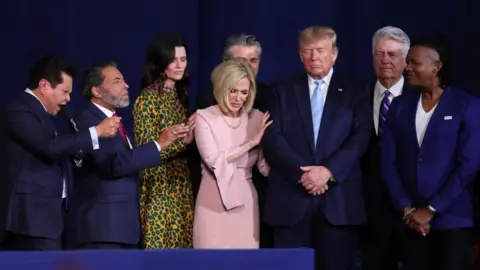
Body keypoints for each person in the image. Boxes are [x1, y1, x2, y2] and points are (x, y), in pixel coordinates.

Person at [261, 26, 371, 270]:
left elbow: (360, 137)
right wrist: (303, 174)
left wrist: (328, 172)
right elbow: (272, 136)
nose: (314, 57)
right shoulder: (281, 90)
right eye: (308, 51)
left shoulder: (356, 91)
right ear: (300, 56)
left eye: (321, 50)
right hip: (291, 200)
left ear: (334, 54)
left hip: (338, 203)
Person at [381, 34, 480, 270]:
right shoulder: (399, 106)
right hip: (409, 221)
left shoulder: (467, 106)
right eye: (408, 62)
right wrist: (407, 208)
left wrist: (433, 209)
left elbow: (468, 165)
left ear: (436, 67)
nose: (407, 68)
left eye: (415, 62)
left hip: (452, 221)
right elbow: (388, 162)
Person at [1, 56, 118, 250]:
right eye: (65, 91)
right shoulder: (19, 108)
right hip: (30, 220)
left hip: (49, 220)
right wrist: (96, 131)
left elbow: (62, 148)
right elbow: (50, 147)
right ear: (44, 85)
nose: (68, 99)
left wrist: (79, 152)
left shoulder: (49, 116)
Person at [74, 60, 189, 249]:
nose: (126, 85)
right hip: (104, 230)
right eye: (117, 81)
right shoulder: (89, 121)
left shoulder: (115, 121)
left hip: (123, 230)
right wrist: (159, 143)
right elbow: (112, 165)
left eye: (124, 80)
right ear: (96, 91)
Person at [192, 32, 274, 247]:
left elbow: (265, 166)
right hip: (212, 201)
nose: (239, 97)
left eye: (244, 92)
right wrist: (252, 142)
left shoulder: (259, 114)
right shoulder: (205, 114)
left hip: (248, 201)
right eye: (233, 91)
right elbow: (213, 160)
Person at [133, 33, 196, 249]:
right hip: (158, 188)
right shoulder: (148, 98)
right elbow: (145, 151)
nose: (179, 65)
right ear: (160, 63)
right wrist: (184, 142)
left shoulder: (178, 97)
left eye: (183, 59)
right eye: (173, 60)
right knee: (159, 256)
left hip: (180, 185)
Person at [361, 26, 413, 270]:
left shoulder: (421, 97)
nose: (385, 61)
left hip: (411, 207)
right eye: (379, 54)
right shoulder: (356, 96)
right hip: (369, 210)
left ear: (405, 60)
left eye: (392, 55)